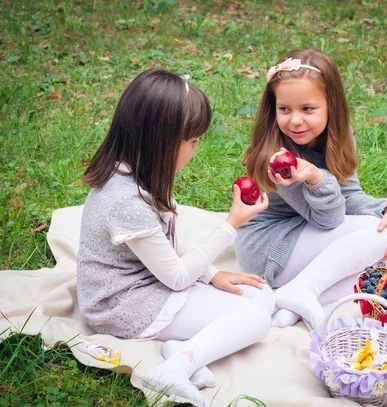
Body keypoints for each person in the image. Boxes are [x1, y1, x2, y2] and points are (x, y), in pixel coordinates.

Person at [76, 69, 274, 405]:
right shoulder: (125, 201)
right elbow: (178, 276)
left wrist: (213, 275)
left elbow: (166, 245)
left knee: (260, 294)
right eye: (194, 140)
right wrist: (232, 223)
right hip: (123, 304)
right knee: (255, 318)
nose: (196, 148)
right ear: (163, 142)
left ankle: (183, 348)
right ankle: (173, 370)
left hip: (151, 281)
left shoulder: (142, 170)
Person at [235, 49, 387, 329]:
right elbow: (329, 220)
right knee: (380, 239)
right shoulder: (277, 157)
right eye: (284, 109)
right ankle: (302, 289)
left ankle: (293, 299)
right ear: (273, 107)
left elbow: (349, 196)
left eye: (308, 109)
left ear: (331, 106)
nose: (296, 120)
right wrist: (315, 178)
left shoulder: (340, 135)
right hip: (269, 245)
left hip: (305, 237)